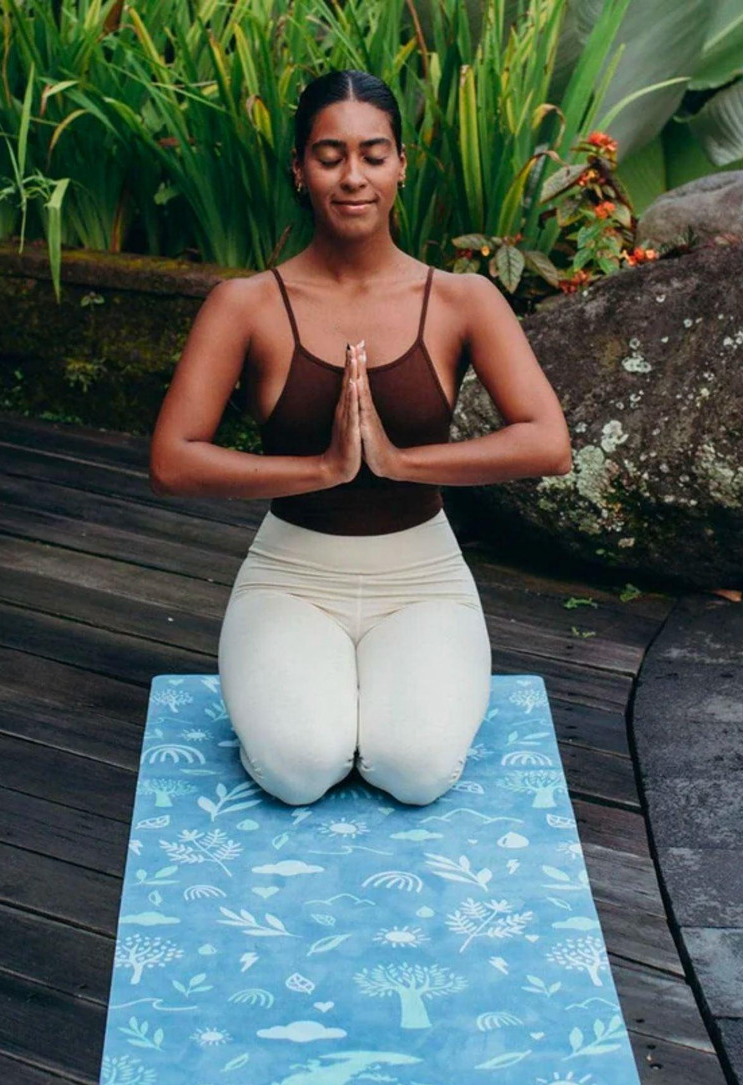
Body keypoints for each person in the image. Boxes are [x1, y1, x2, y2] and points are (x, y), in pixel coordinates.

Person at [149, 68, 571, 807]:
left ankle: (367, 700)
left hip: (423, 580)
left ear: (401, 165)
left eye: (373, 155)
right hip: (291, 576)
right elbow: (173, 460)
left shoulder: (462, 299)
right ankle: (316, 704)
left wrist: (399, 462)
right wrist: (322, 467)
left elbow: (548, 443)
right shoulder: (245, 304)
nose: (353, 177)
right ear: (300, 170)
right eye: (329, 155)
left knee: (414, 770)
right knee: (299, 770)